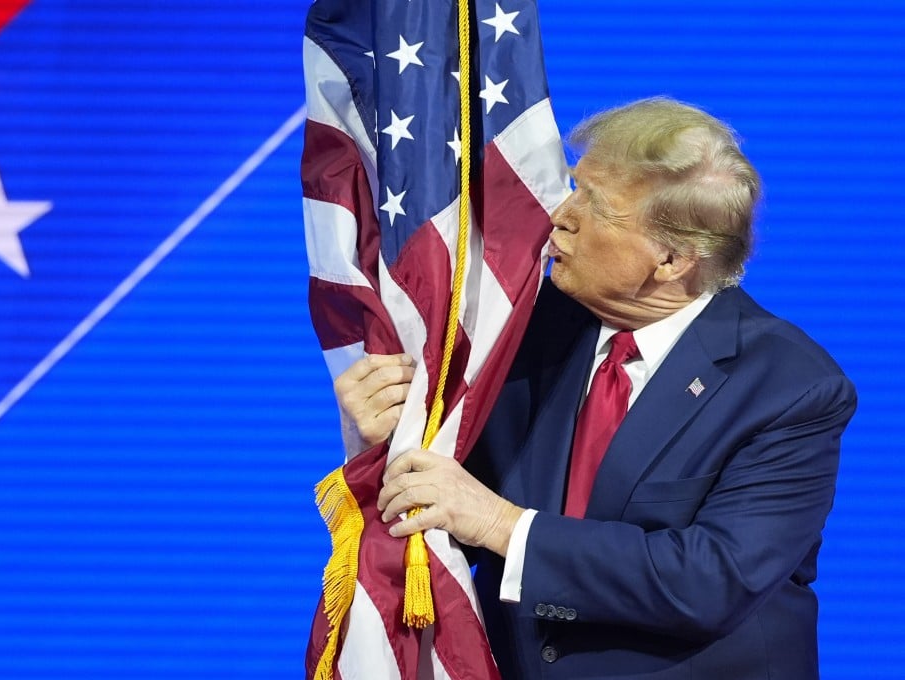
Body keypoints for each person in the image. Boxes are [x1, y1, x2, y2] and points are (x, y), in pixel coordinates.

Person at [334, 97, 856, 679]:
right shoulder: (520, 326)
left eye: (596, 205)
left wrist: (502, 524)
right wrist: (393, 434)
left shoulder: (789, 387)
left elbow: (710, 582)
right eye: (574, 186)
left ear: (671, 259)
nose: (561, 214)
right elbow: (457, 502)